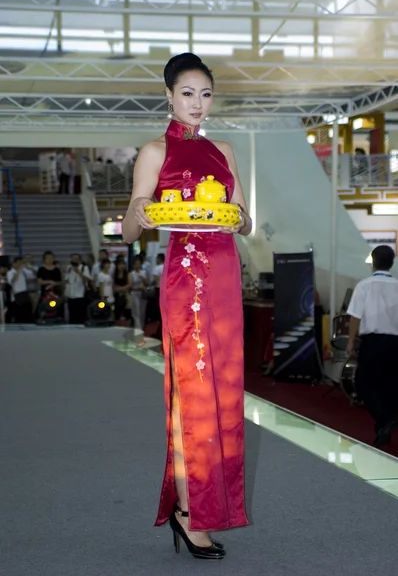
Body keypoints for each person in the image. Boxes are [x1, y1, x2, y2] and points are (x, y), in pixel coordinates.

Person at [122, 52, 252, 559]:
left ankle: (206, 506)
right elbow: (131, 228)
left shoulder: (224, 150)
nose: (198, 104)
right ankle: (188, 511)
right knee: (192, 396)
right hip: (186, 276)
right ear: (169, 96)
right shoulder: (155, 152)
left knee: (224, 395)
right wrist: (138, 213)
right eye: (188, 94)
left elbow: (243, 219)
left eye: (205, 94)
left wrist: (238, 219)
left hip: (224, 273)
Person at [347, 245, 398, 447]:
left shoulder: (364, 286)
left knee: (363, 382)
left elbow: (355, 317)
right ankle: (383, 427)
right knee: (389, 385)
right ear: (391, 263)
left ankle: (385, 420)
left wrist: (350, 341)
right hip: (395, 342)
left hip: (373, 342)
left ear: (373, 262)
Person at [65, 254, 91, 324]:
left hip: (79, 294)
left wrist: (79, 272)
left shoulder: (84, 268)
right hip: (70, 294)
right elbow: (64, 275)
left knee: (79, 313)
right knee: (71, 313)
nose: (74, 260)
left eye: (76, 259)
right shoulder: (69, 268)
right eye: (73, 259)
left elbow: (87, 279)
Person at [6, 257, 33, 323]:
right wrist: (18, 270)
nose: (19, 265)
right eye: (18, 263)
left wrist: (29, 266)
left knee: (27, 313)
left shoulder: (23, 271)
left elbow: (33, 275)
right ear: (14, 264)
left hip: (25, 293)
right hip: (16, 295)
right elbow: (13, 280)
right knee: (18, 314)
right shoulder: (10, 272)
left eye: (20, 263)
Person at [130, 256, 148, 330]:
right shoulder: (131, 274)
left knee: (142, 312)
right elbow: (130, 286)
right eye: (136, 264)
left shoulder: (143, 273)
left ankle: (142, 326)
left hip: (143, 294)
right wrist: (137, 288)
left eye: (139, 264)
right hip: (135, 294)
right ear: (133, 265)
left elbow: (147, 283)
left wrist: (143, 279)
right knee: (136, 312)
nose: (137, 265)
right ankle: (138, 328)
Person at [114, 256, 131, 323]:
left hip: (126, 295)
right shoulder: (115, 274)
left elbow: (129, 284)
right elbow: (113, 285)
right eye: (120, 264)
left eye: (123, 264)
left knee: (127, 312)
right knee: (117, 312)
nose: (121, 266)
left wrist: (121, 288)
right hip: (117, 295)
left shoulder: (127, 274)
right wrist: (117, 289)